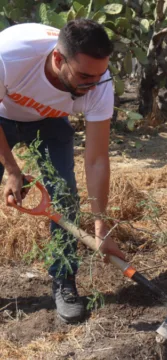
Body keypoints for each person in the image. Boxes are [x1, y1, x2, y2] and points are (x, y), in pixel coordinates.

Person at [0, 19, 126, 323]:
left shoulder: (98, 82)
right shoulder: (9, 56)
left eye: (99, 76)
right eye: (84, 75)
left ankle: (64, 280)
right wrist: (13, 170)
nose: (92, 85)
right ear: (58, 59)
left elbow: (96, 159)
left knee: (66, 196)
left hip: (49, 121)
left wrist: (101, 226)